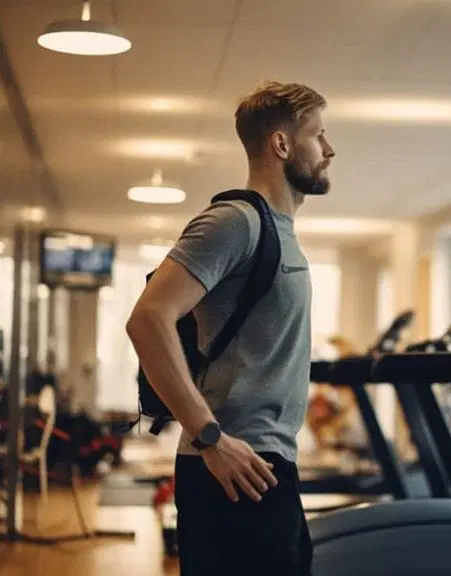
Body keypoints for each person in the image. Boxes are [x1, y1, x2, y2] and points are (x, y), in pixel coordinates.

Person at [126, 80, 336, 576]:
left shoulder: (283, 233)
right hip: (231, 462)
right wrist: (211, 438)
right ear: (282, 144)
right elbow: (147, 319)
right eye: (319, 135)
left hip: (264, 461)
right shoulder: (235, 222)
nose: (330, 149)